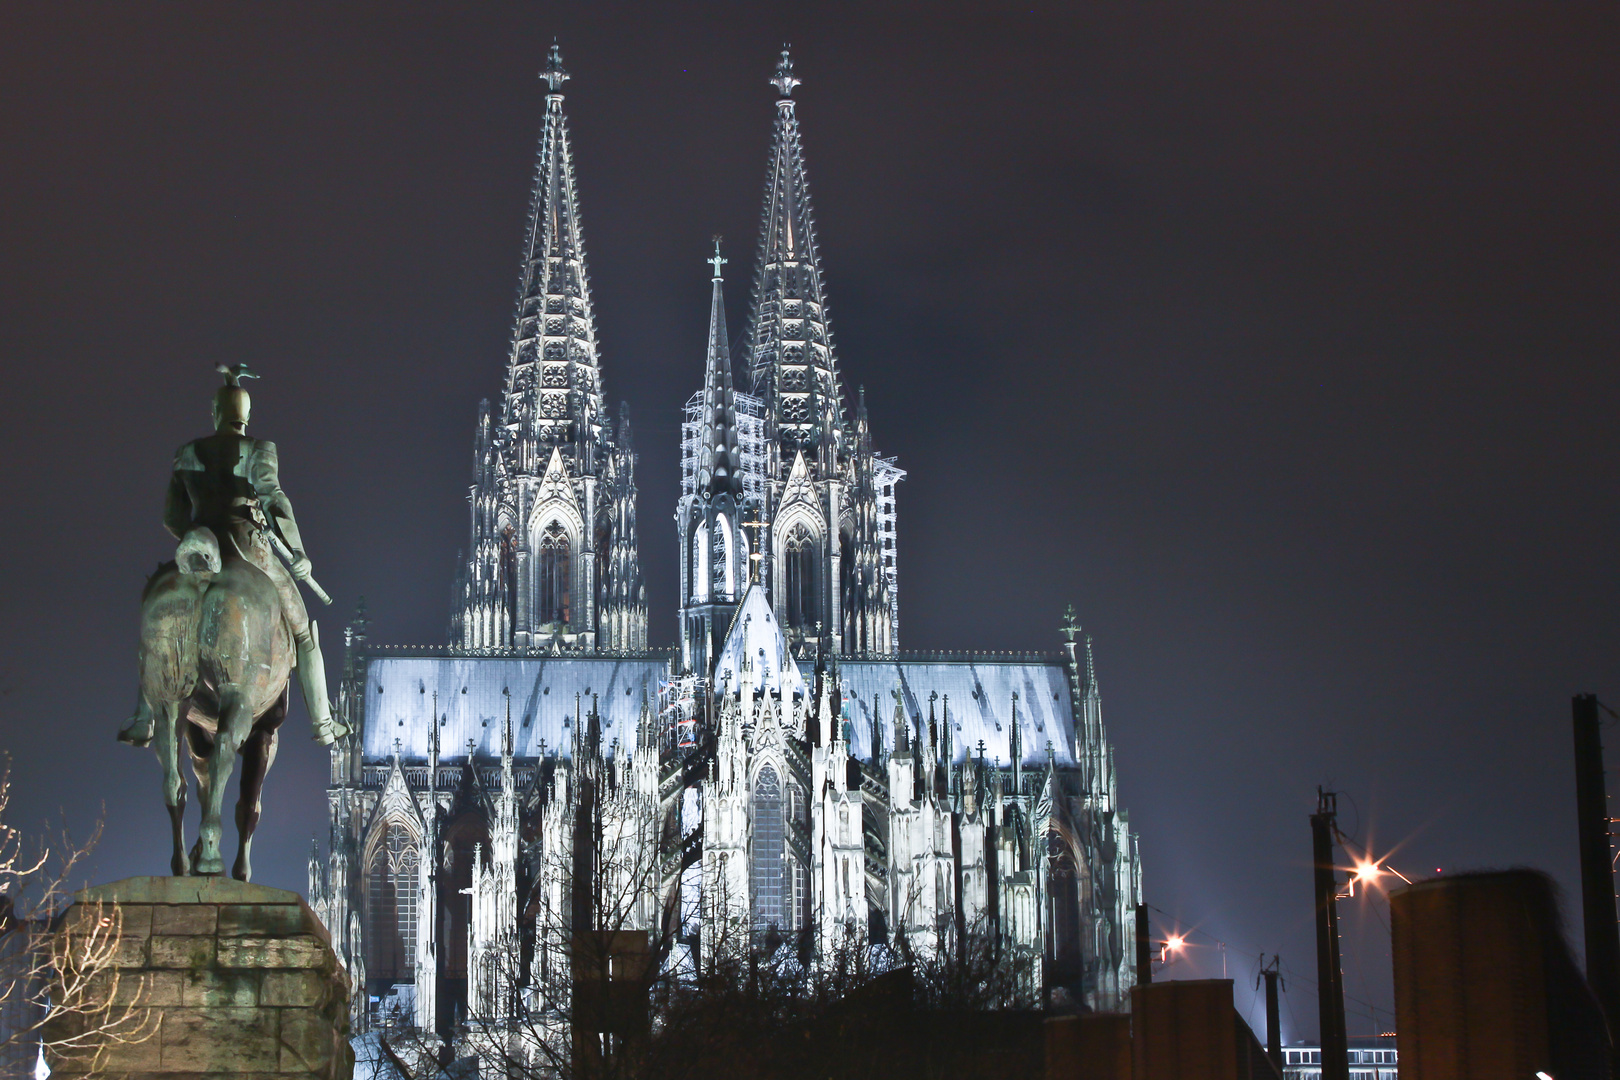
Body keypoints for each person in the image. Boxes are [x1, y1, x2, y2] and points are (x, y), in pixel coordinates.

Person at [121, 365, 345, 745]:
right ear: (246, 415)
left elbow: (171, 516)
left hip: (198, 542)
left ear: (214, 413)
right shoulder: (258, 450)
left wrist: (195, 533)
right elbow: (276, 502)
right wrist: (298, 552)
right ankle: (323, 723)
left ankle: (144, 716)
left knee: (153, 618)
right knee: (305, 636)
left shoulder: (187, 453)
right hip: (251, 548)